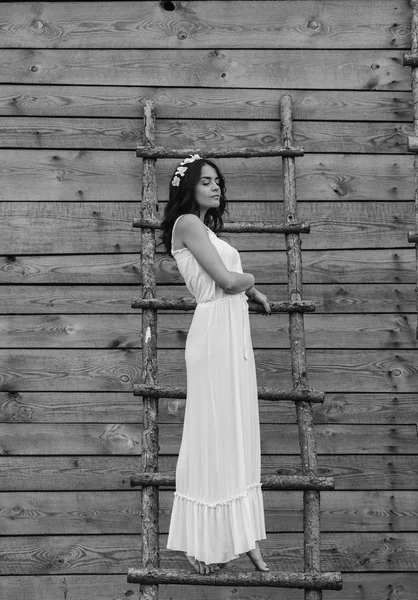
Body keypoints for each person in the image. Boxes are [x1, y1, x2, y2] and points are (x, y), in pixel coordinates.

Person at [161, 154, 271, 575]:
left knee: (235, 431)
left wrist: (248, 294)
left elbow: (226, 281)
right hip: (213, 332)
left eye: (217, 181)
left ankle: (243, 538)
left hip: (231, 331)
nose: (215, 187)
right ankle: (196, 540)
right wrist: (251, 282)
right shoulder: (187, 224)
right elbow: (225, 282)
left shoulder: (204, 229)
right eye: (205, 181)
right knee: (209, 432)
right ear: (188, 187)